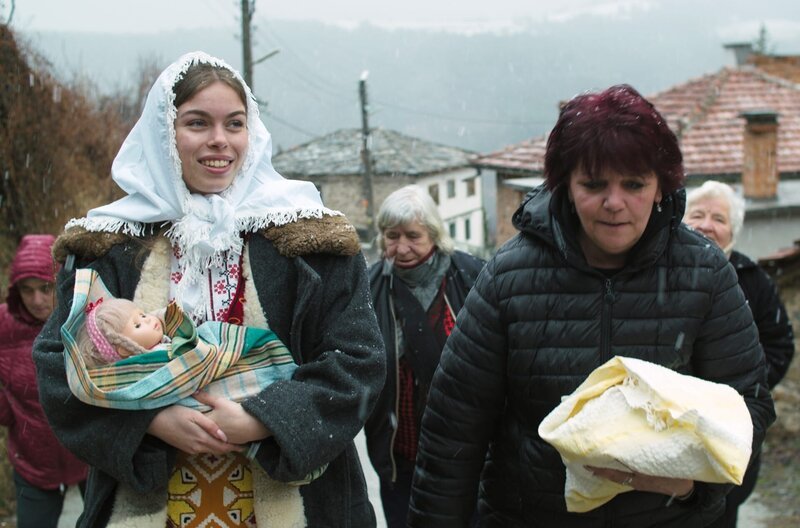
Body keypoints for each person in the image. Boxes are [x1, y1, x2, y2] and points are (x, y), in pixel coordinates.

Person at [33, 51, 385, 528]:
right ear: (164, 134)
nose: (220, 141)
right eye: (197, 123)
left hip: (301, 504)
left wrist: (264, 420)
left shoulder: (310, 240)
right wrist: (148, 421)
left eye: (234, 124)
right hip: (148, 502)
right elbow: (59, 366)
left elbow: (358, 360)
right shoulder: (109, 244)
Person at [407, 84, 776, 527]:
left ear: (661, 188)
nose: (614, 202)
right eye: (594, 183)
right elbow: (453, 430)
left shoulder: (705, 273)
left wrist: (688, 483)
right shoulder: (510, 276)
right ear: (566, 185)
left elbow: (746, 408)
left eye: (634, 184)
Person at [364, 185, 484, 527]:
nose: (401, 248)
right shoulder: (368, 288)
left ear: (434, 233)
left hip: (467, 455)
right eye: (392, 235)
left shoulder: (472, 277)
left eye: (413, 236)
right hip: (400, 456)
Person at [684, 180, 795, 528]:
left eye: (719, 218)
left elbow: (779, 343)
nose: (706, 225)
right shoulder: (659, 273)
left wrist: (741, 392)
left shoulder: (752, 279)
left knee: (719, 509)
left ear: (734, 231)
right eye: (697, 215)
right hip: (670, 425)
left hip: (728, 429)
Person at [0, 234, 87, 528]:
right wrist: (8, 411)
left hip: (89, 454)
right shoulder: (4, 325)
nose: (37, 300)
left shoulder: (85, 315)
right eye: (27, 291)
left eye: (45, 288)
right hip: (33, 463)